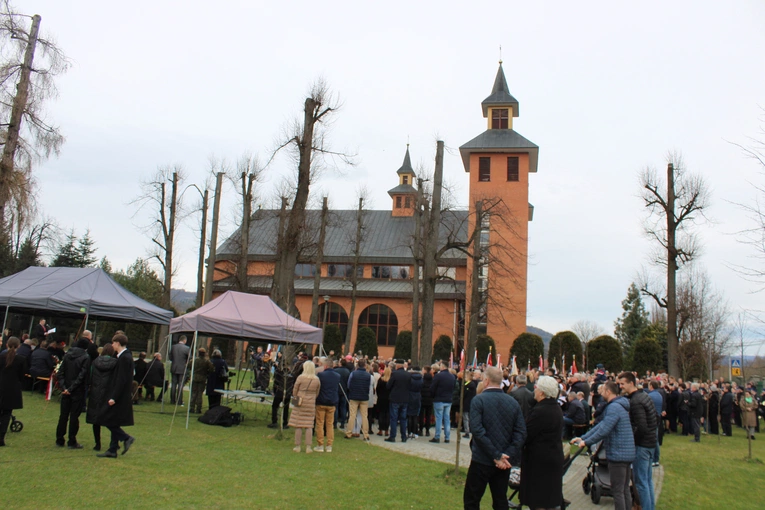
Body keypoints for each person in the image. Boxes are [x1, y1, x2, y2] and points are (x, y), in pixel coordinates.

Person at [463, 366, 527, 510]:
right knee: (500, 500)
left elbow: (477, 430)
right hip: (503, 460)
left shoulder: (478, 400)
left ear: (486, 381)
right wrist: (507, 454)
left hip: (483, 458)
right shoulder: (512, 402)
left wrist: (498, 455)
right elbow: (521, 432)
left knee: (472, 500)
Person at [572, 381, 635, 510]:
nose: (601, 393)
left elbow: (604, 429)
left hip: (619, 454)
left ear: (608, 392)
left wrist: (586, 442)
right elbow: (601, 425)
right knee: (624, 489)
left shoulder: (614, 407)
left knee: (618, 491)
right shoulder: (617, 406)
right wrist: (583, 438)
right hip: (626, 453)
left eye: (603, 390)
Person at [520, 376, 564, 510]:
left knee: (539, 500)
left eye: (536, 388)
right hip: (551, 457)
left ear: (542, 392)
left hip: (540, 461)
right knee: (547, 499)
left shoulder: (541, 411)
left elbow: (527, 433)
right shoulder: (554, 408)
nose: (534, 390)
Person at [618, 371, 657, 510]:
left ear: (631, 383)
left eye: (623, 384)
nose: (620, 386)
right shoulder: (644, 396)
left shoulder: (636, 401)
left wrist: (633, 442)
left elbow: (641, 426)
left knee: (641, 483)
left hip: (642, 445)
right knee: (647, 480)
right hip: (651, 443)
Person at [97, 333, 136, 458]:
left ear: (118, 343)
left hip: (120, 396)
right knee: (113, 420)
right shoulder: (123, 356)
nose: (112, 345)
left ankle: (126, 438)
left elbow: (121, 379)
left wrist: (114, 397)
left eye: (113, 343)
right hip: (120, 394)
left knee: (106, 418)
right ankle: (113, 449)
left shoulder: (124, 358)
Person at [55, 338, 92, 449]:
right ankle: (71, 440)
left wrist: (64, 387)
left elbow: (60, 373)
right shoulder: (85, 357)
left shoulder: (67, 355)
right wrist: (70, 388)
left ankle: (59, 439)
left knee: (63, 415)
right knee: (74, 416)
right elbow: (82, 375)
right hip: (77, 390)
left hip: (67, 388)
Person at [86, 343, 117, 451]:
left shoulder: (95, 362)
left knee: (96, 419)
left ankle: (97, 443)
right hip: (109, 393)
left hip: (96, 392)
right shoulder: (115, 363)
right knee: (112, 419)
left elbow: (90, 376)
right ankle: (114, 442)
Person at [289, 360, 320, 453]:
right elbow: (317, 391)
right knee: (309, 425)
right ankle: (308, 447)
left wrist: (296, 396)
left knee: (298, 424)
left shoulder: (301, 377)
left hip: (300, 400)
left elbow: (295, 389)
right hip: (311, 402)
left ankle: (298, 446)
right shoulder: (316, 379)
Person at [0, 337, 26, 446]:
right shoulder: (21, 359)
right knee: (6, 414)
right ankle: (1, 438)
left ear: (7, 345)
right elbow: (22, 375)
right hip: (12, 389)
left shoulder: (1, 357)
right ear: (18, 346)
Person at [315, 358, 340, 452]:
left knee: (320, 423)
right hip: (332, 401)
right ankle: (329, 445)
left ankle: (320, 444)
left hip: (321, 401)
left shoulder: (321, 375)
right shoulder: (337, 376)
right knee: (329, 424)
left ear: (325, 366)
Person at [345, 358, 372, 441]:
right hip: (364, 397)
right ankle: (365, 434)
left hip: (354, 396)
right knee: (364, 416)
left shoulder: (353, 374)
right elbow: (369, 386)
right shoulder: (368, 375)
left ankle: (349, 432)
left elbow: (348, 385)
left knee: (352, 415)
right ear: (365, 365)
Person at [429, 362, 456, 444]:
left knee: (439, 418)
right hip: (448, 399)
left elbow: (433, 387)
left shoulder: (438, 376)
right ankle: (447, 437)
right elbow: (453, 387)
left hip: (439, 399)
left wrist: (433, 395)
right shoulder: (452, 376)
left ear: (442, 367)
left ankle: (437, 436)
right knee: (447, 419)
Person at [386, 359, 411, 443]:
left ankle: (392, 436)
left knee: (394, 418)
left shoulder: (394, 374)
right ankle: (403, 437)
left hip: (395, 398)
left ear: (397, 365)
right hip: (405, 398)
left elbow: (388, 386)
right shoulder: (408, 374)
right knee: (403, 418)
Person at [188, 348, 214, 414]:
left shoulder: (194, 360)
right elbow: (212, 369)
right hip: (202, 378)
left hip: (195, 377)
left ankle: (191, 407)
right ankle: (198, 408)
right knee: (200, 394)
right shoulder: (206, 361)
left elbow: (188, 366)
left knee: (193, 393)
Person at [169, 336, 190, 406]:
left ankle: (172, 400)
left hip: (174, 367)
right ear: (185, 340)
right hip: (182, 368)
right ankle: (179, 400)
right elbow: (189, 358)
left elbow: (170, 357)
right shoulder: (187, 348)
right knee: (180, 385)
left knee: (173, 384)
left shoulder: (173, 347)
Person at [461, 370, 479, 439]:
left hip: (466, 403)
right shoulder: (473, 384)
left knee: (466, 418)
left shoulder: (467, 384)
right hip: (471, 403)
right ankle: (469, 430)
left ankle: (467, 431)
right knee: (469, 417)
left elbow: (464, 394)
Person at [407, 366, 423, 439]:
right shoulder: (421, 379)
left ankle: (409, 432)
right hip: (418, 397)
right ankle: (415, 432)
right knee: (415, 416)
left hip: (410, 396)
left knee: (409, 415)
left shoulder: (409, 378)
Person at [376, 365, 391, 436]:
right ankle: (387, 430)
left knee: (381, 415)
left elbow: (377, 389)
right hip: (389, 399)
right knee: (387, 415)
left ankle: (380, 430)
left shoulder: (381, 380)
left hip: (381, 398)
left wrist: (379, 395)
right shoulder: (391, 381)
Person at [419, 365, 433, 436]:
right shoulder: (432, 382)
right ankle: (427, 430)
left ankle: (420, 429)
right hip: (430, 400)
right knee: (428, 415)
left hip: (422, 400)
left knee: (421, 415)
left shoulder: (422, 382)